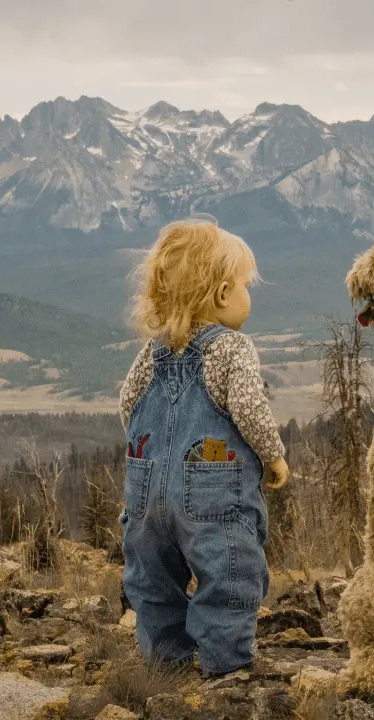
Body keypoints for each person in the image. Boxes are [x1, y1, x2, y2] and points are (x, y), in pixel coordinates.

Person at [118, 216, 289, 677]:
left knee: (152, 580)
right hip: (212, 495)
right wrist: (273, 456)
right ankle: (225, 668)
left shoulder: (153, 351)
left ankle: (165, 666)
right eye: (244, 286)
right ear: (221, 295)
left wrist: (152, 459)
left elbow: (128, 406)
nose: (247, 296)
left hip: (146, 493)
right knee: (229, 575)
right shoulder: (231, 349)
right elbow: (250, 410)